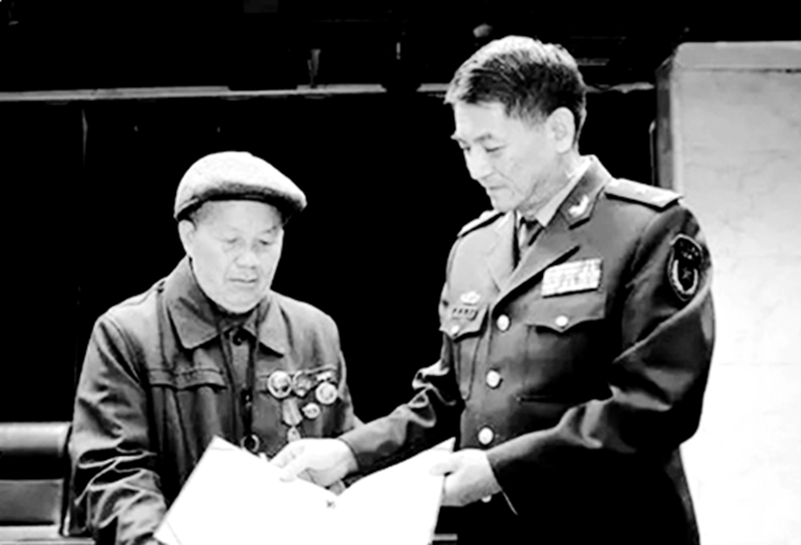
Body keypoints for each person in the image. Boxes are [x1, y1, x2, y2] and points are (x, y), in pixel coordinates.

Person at [271, 36, 714, 545]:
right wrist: (350, 452)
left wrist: (500, 469)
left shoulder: (648, 229)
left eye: (492, 146)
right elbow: (447, 397)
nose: (476, 168)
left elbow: (656, 407)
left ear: (558, 129)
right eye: (465, 147)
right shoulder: (475, 246)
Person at [68, 151, 360, 545]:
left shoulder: (314, 331)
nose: (250, 261)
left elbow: (345, 452)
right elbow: (115, 473)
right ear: (188, 236)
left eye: (266, 242)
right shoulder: (127, 334)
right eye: (231, 242)